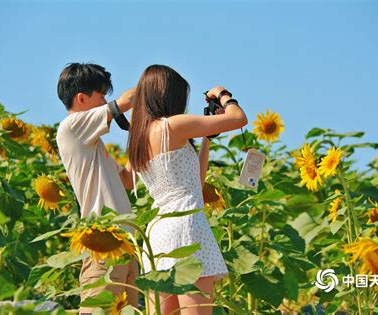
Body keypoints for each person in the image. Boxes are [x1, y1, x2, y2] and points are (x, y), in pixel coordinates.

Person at [127, 64, 248, 315]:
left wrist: (207, 139)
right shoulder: (171, 126)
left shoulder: (139, 137)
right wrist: (224, 94)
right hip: (187, 226)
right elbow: (238, 118)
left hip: (159, 232)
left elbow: (196, 182)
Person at [56, 63, 138, 314]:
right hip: (103, 241)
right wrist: (158, 83)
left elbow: (126, 180)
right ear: (81, 98)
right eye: (101, 96)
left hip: (124, 244)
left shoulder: (93, 144)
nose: (106, 101)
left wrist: (140, 138)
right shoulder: (71, 127)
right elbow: (127, 100)